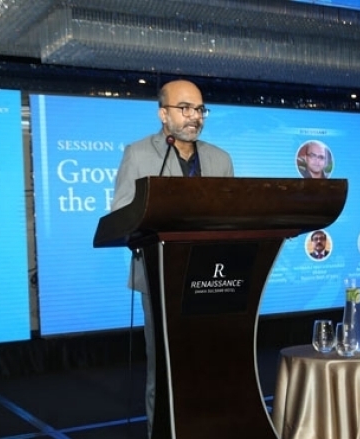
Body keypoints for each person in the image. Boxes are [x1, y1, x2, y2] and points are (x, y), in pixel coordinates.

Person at [110, 79, 234, 436]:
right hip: (159, 275)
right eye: (185, 108)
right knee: (164, 370)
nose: (194, 117)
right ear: (163, 114)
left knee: (209, 366)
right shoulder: (139, 153)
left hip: (213, 278)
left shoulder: (220, 159)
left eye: (199, 109)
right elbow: (120, 213)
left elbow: (232, 215)